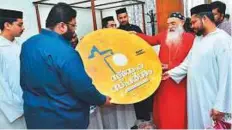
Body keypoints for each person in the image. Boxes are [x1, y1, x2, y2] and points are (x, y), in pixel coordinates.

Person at [20, 3, 111, 129]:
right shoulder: (66, 52)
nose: (74, 30)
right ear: (62, 26)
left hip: (35, 118)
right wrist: (102, 100)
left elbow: (25, 81)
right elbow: (83, 87)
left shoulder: (28, 44)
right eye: (73, 25)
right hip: (63, 119)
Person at [163, 4, 232, 129]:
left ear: (204, 18)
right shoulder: (198, 39)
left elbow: (227, 76)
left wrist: (221, 105)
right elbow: (188, 63)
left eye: (194, 22)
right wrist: (170, 73)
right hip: (196, 97)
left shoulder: (222, 40)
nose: (192, 26)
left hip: (212, 100)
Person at [134, 12, 194, 129]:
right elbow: (150, 40)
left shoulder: (190, 38)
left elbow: (191, 62)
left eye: (173, 23)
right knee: (163, 110)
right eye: (168, 24)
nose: (170, 26)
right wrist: (136, 34)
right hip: (163, 81)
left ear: (182, 23)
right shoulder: (164, 35)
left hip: (179, 82)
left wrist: (170, 66)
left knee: (177, 111)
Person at [116, 7, 153, 129]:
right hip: (126, 66)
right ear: (118, 19)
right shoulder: (116, 32)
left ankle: (148, 118)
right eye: (120, 18)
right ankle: (137, 119)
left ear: (128, 16)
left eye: (124, 17)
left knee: (143, 89)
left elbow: (144, 44)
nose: (123, 19)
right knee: (133, 91)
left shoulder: (136, 29)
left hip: (139, 63)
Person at [0, 9, 26, 129]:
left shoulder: (19, 45)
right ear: (7, 25)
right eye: (20, 25)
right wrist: (16, 107)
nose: (23, 28)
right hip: (8, 111)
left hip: (24, 103)